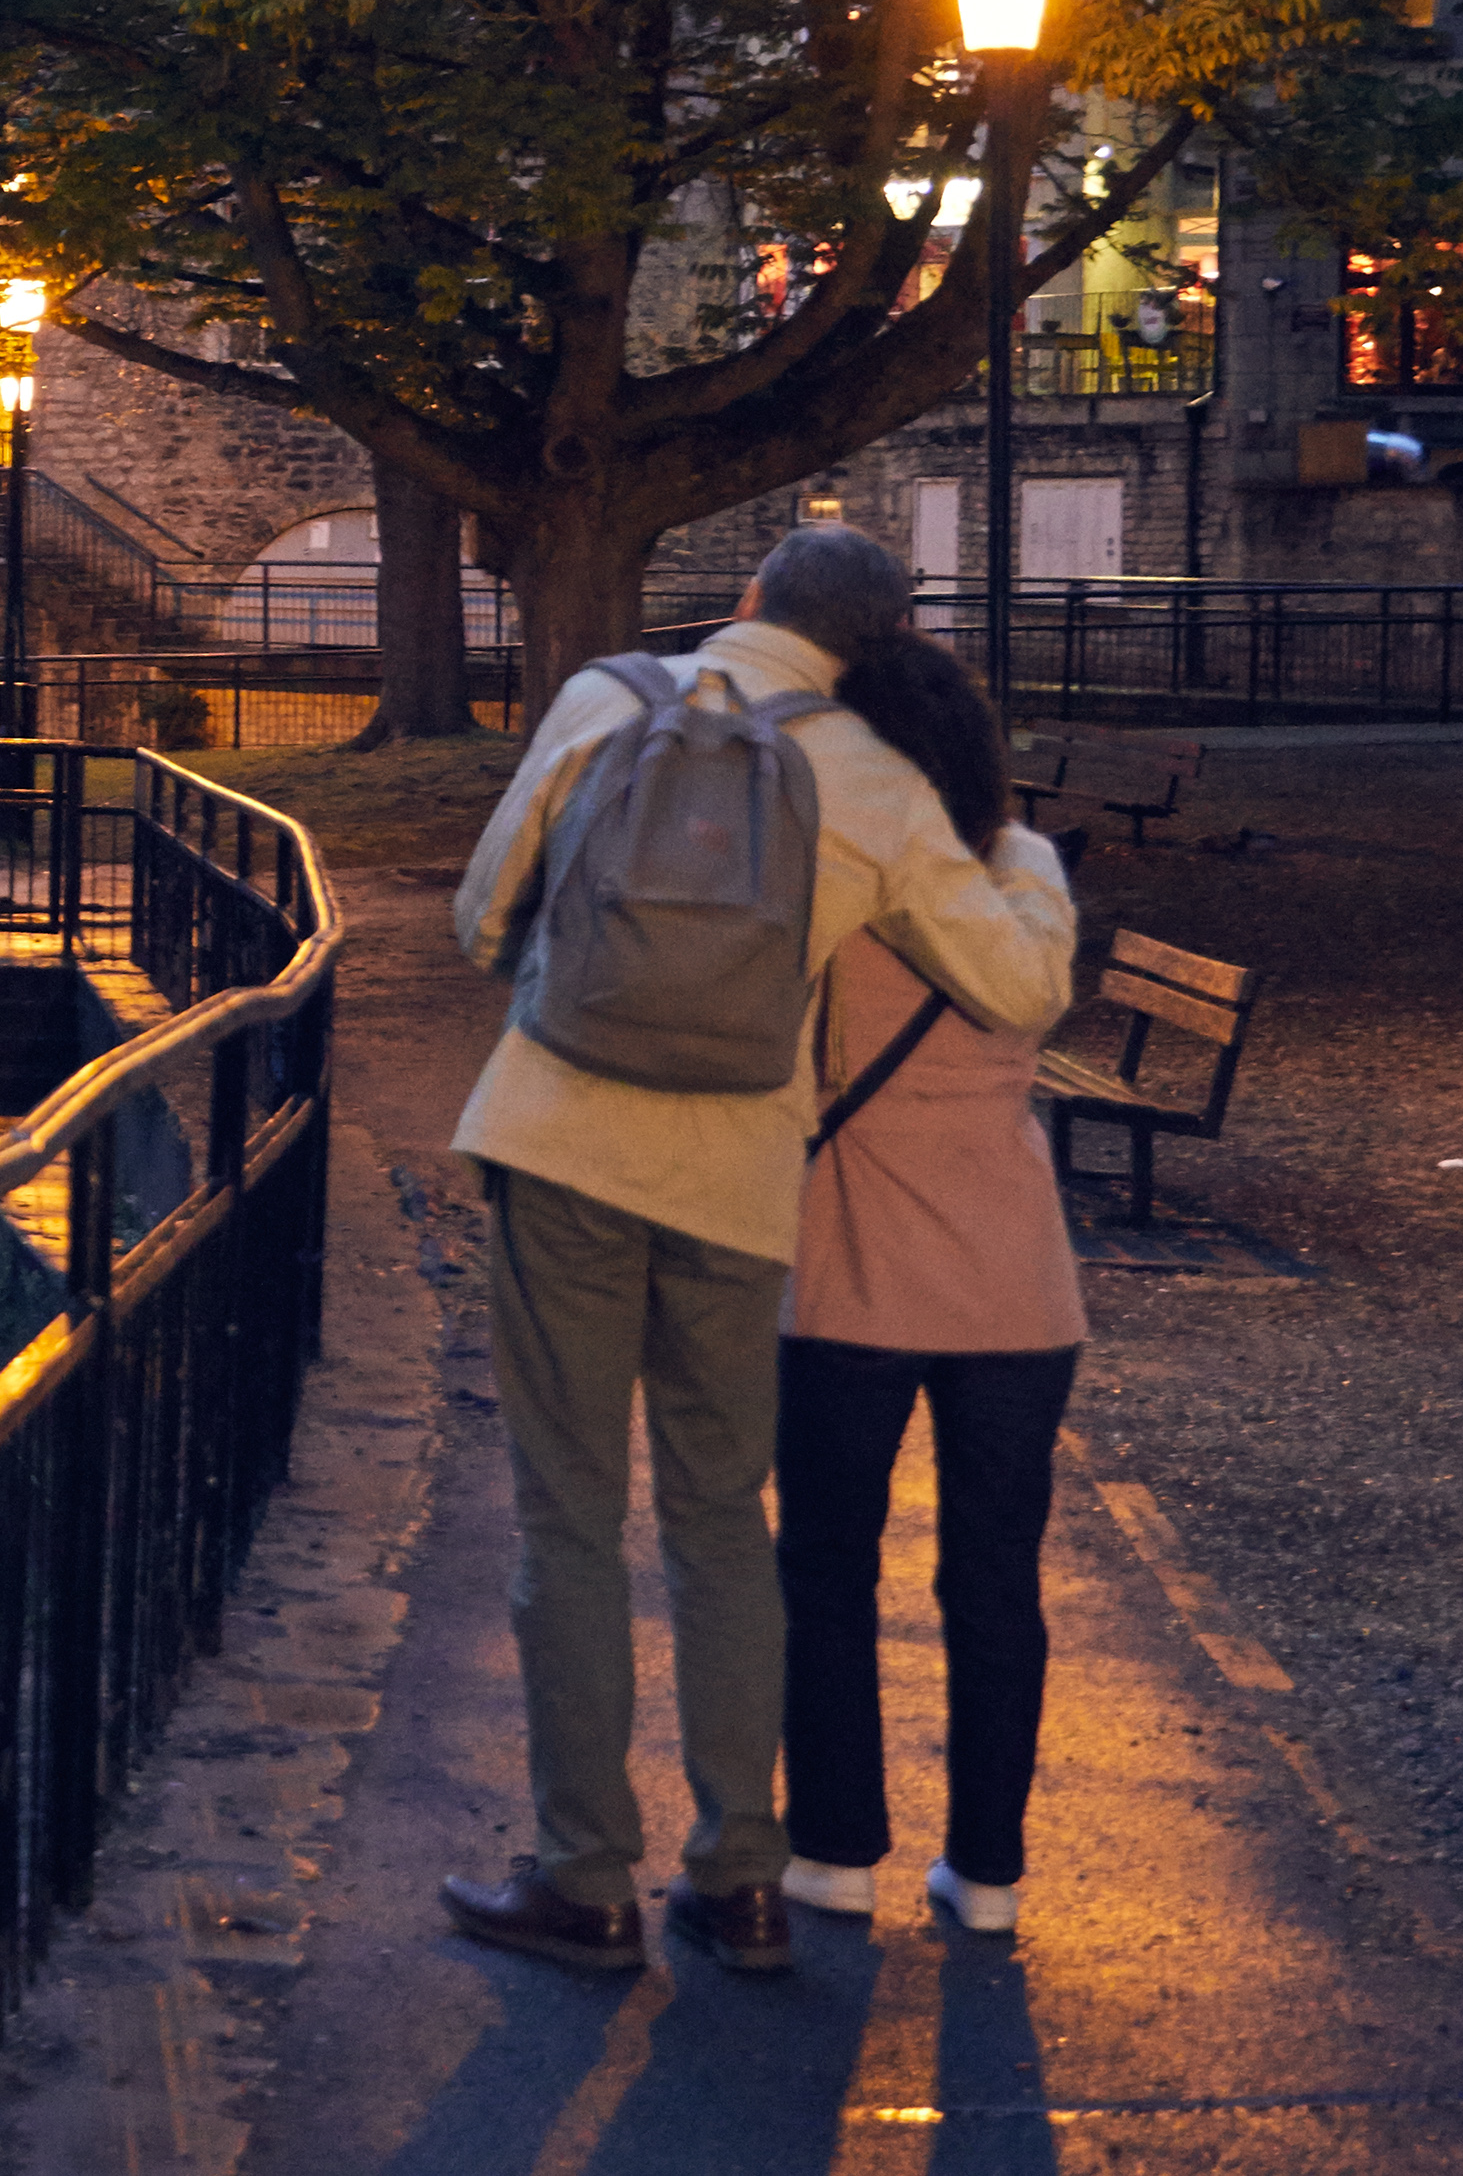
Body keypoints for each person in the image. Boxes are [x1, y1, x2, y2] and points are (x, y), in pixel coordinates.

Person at [438, 524, 1076, 1981]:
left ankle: (582, 1873)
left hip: (558, 1145)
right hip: (734, 1183)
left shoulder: (608, 698)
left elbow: (482, 915)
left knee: (567, 1518)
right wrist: (1021, 858)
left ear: (746, 602)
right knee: (723, 1522)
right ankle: (738, 1875)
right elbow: (1020, 978)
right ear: (875, 647)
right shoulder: (876, 783)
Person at [776, 625, 1088, 1939]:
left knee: (829, 1567)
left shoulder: (830, 876)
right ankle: (989, 1869)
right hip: (1015, 1280)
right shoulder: (1025, 867)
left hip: (847, 1264)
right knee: (993, 1579)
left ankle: (834, 1846)